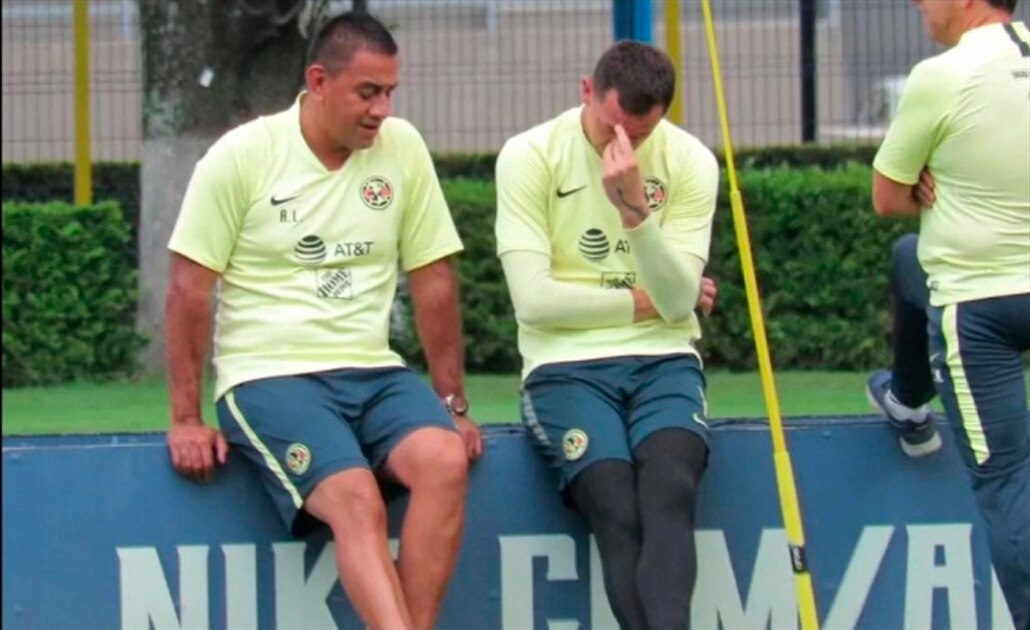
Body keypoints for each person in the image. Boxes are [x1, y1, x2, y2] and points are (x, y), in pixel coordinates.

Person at [164, 12, 482, 630]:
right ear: (318, 80)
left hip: (372, 372)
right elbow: (188, 290)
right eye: (368, 92)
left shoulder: (403, 149)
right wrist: (185, 417)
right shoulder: (242, 156)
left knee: (445, 459)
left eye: (390, 92)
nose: (382, 109)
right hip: (269, 376)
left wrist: (454, 400)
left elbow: (434, 279)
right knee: (358, 499)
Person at [495, 40, 719, 629]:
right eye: (610, 128)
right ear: (585, 92)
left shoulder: (692, 162)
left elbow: (675, 306)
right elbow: (535, 303)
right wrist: (642, 302)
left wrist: (636, 213)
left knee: (670, 488)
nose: (622, 150)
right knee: (616, 503)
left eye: (640, 137)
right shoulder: (529, 156)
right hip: (563, 367)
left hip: (664, 360)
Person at [866, 1, 1029, 627]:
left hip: (979, 306)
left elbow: (887, 196)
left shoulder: (941, 75)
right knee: (911, 260)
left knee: (1008, 483)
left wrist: (936, 180)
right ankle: (908, 397)